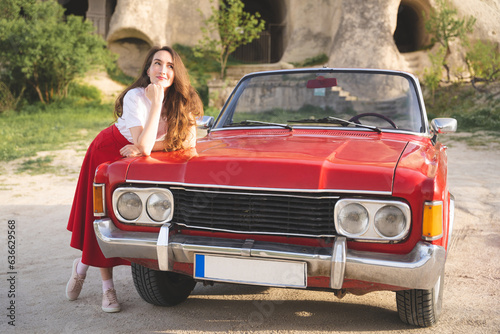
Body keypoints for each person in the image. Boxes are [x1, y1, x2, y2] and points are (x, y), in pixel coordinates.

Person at [66, 46, 203, 312]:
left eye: (170, 65)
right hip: (108, 153)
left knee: (133, 219)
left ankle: (81, 265)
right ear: (147, 69)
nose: (163, 70)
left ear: (176, 73)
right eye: (157, 63)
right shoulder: (135, 97)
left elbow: (185, 142)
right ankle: (108, 290)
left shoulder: (183, 101)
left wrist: (148, 146)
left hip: (138, 155)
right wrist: (155, 103)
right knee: (101, 219)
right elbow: (146, 143)